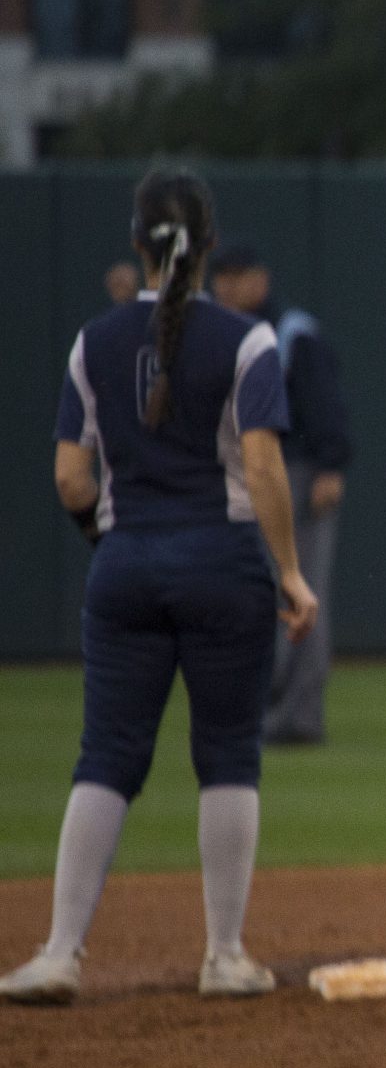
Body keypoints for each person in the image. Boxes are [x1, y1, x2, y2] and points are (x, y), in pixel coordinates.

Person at [1, 172, 319, 1006]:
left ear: (139, 245)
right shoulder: (247, 342)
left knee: (105, 756)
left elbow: (72, 478)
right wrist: (288, 570)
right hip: (222, 565)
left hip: (127, 563)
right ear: (210, 247)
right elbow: (261, 463)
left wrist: (113, 547)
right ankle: (223, 955)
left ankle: (60, 952)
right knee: (227, 756)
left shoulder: (92, 342)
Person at [208, 241, 353, 745]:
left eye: (237, 275)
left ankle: (300, 715)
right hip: (244, 471)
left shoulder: (292, 332)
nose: (226, 285)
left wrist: (330, 467)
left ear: (260, 279)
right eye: (220, 275)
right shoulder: (222, 331)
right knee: (258, 593)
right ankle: (262, 709)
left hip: (296, 471)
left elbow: (325, 405)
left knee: (301, 589)